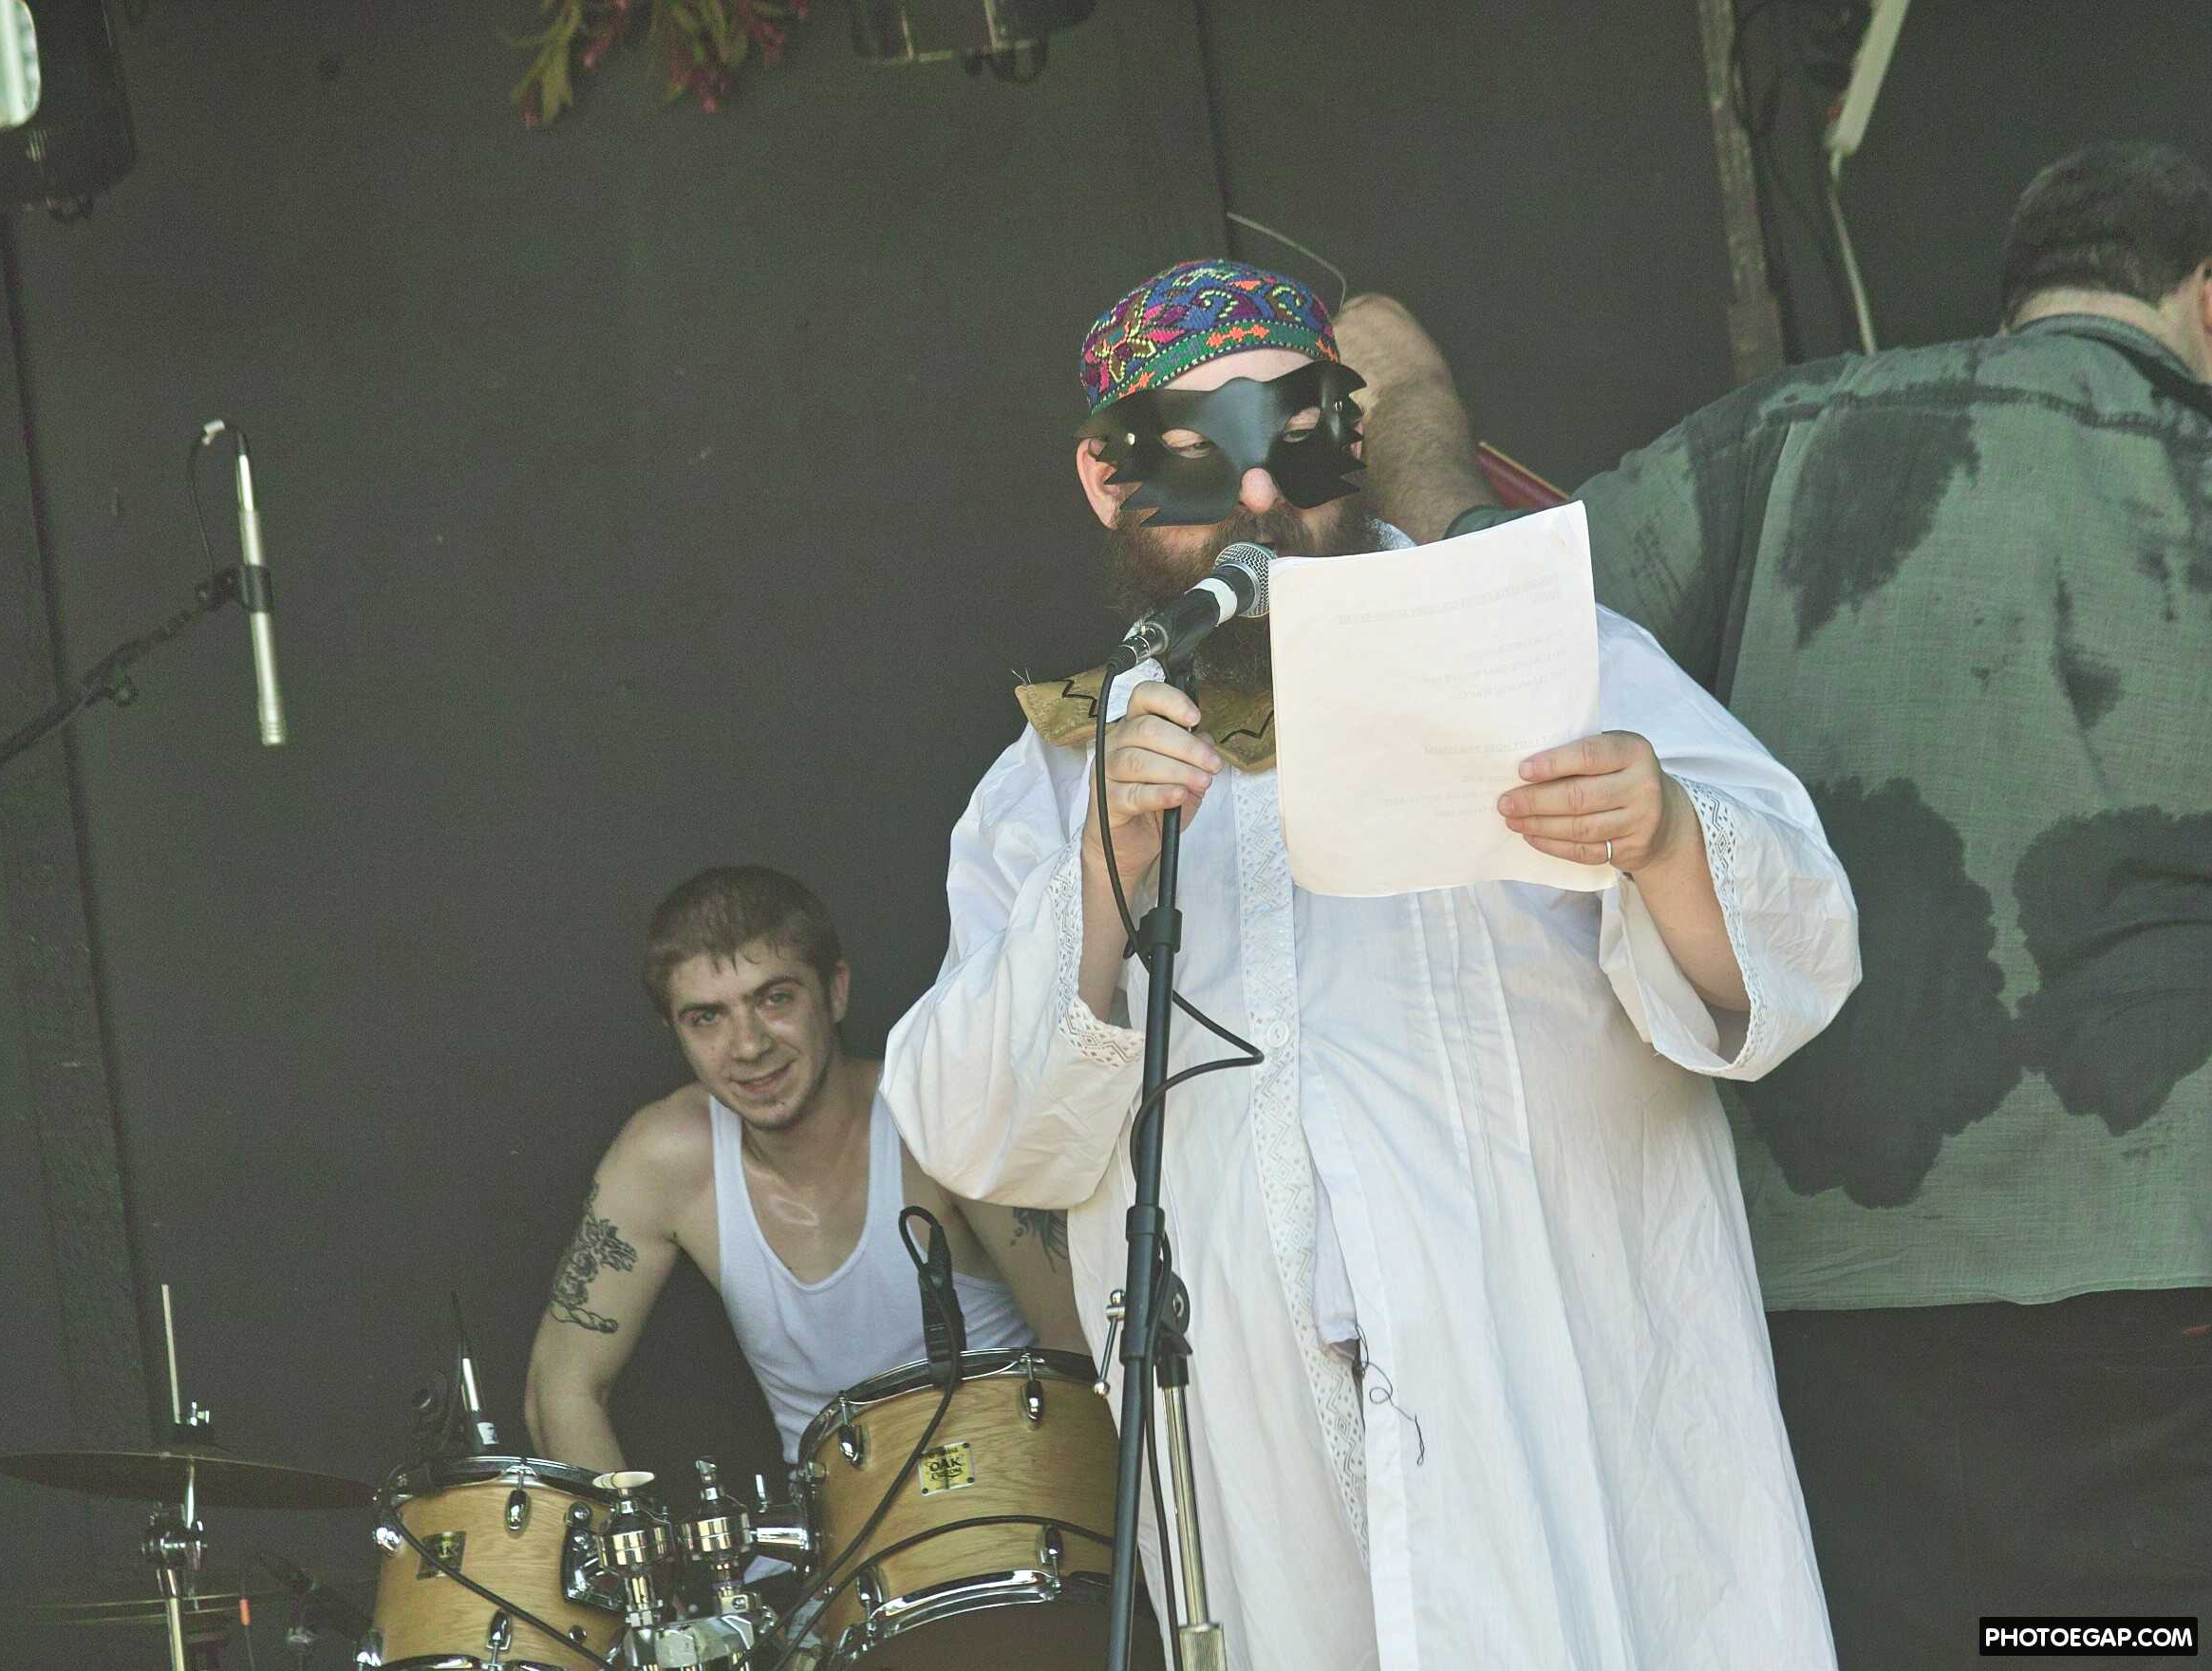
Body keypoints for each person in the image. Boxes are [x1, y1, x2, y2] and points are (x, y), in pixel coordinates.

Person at [880, 258, 1862, 1670]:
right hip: (1270, 1466)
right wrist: (1100, 867)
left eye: (1298, 439)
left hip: (1554, 1411)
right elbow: (972, 1130)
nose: (1261, 496)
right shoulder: (1049, 781)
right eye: (1199, 458)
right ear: (1108, 481)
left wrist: (1664, 834)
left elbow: (1797, 955)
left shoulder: (1544, 653)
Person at [1352, 141, 2212, 1667]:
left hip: (1835, 1295)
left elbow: (1496, 623)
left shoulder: (1782, 437)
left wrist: (1416, 409)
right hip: (2170, 1283)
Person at [521, 864, 1083, 1477]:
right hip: (831, 1527)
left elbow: (1084, 1342)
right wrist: (624, 1536)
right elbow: (560, 1387)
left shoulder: (935, 1116)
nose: (748, 1045)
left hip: (1009, 1496)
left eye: (774, 999)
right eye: (707, 1018)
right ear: (674, 1032)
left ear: (835, 992)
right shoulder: (664, 1157)